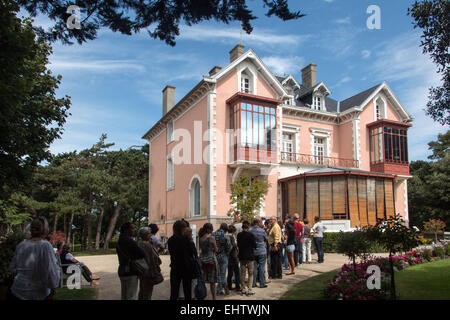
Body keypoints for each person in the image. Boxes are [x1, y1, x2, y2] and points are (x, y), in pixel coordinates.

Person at [8, 217, 60, 300]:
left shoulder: (21, 245)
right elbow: (50, 270)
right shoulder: (45, 246)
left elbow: (13, 269)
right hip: (37, 293)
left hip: (18, 290)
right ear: (44, 229)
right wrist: (53, 289)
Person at [117, 222, 145, 300]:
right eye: (132, 228)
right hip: (131, 270)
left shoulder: (120, 240)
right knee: (131, 296)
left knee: (124, 295)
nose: (133, 230)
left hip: (122, 269)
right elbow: (141, 254)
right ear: (127, 229)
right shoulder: (129, 240)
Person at [168, 220, 195, 300]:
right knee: (187, 290)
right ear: (183, 229)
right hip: (186, 267)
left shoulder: (171, 240)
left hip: (175, 266)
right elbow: (192, 252)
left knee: (174, 291)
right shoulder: (186, 240)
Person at [137, 227, 162, 300]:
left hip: (142, 271)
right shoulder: (147, 245)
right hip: (149, 272)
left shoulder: (140, 243)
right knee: (147, 293)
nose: (150, 235)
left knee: (142, 291)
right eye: (149, 233)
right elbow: (155, 258)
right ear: (144, 235)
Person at [199, 223, 219, 300]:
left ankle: (202, 295)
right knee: (212, 282)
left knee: (203, 280)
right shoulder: (211, 238)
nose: (212, 230)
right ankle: (214, 298)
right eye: (211, 229)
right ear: (208, 229)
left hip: (203, 260)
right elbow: (216, 249)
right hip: (211, 259)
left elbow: (200, 249)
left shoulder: (200, 238)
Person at [237, 221, 256, 296]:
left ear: (242, 228)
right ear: (248, 228)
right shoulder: (251, 235)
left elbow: (238, 244)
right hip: (249, 255)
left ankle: (243, 289)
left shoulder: (239, 235)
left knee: (243, 273)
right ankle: (249, 289)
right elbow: (254, 245)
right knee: (250, 273)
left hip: (242, 255)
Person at [213, 222, 232, 295]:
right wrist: (227, 252)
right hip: (223, 256)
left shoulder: (213, 234)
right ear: (226, 229)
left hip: (215, 255)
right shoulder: (225, 236)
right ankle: (222, 288)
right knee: (223, 273)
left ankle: (219, 288)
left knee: (217, 273)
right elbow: (229, 247)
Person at [249, 218, 268, 288]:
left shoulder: (250, 230)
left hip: (253, 251)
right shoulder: (262, 231)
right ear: (257, 223)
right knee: (262, 267)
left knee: (254, 268)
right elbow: (266, 239)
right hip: (261, 250)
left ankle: (253, 283)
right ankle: (262, 283)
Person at [226, 225, 241, 292]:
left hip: (228, 256)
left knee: (230, 272)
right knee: (236, 272)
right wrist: (236, 245)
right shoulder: (231, 237)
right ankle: (237, 286)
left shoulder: (226, 236)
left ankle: (229, 286)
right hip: (234, 256)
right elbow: (234, 246)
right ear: (233, 231)